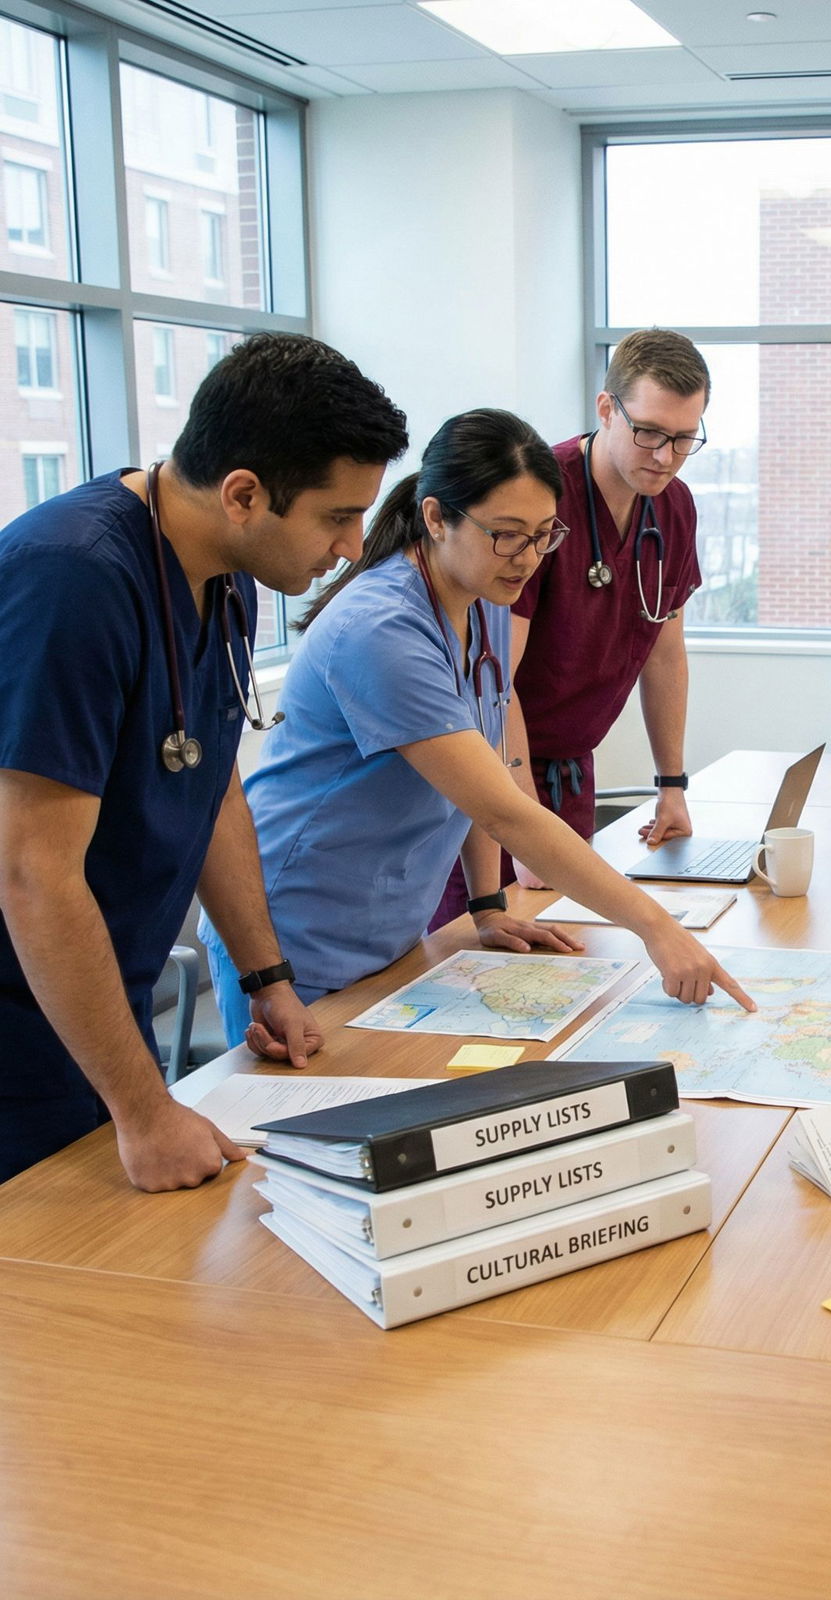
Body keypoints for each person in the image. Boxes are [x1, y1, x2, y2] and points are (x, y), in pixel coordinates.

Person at [199, 408, 754, 1041]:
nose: (528, 558)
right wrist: (657, 929)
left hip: (385, 931)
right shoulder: (382, 630)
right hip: (289, 938)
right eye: (507, 535)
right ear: (436, 518)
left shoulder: (483, 597)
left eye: (544, 535)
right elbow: (503, 810)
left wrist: (488, 905)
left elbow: (484, 752)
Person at [0, 333, 408, 1190]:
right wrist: (143, 1111)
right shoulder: (70, 579)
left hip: (95, 1003)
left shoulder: (227, 575)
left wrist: (268, 979)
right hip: (21, 1024)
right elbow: (33, 873)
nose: (352, 546)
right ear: (244, 494)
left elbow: (214, 791)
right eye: (336, 516)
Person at [428, 330, 712, 930]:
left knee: (573, 949)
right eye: (650, 432)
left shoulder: (674, 507)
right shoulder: (540, 498)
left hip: (571, 774)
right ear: (606, 408)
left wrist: (671, 785)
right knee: (474, 954)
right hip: (493, 770)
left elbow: (665, 655)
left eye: (684, 438)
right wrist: (525, 825)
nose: (665, 456)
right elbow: (495, 683)